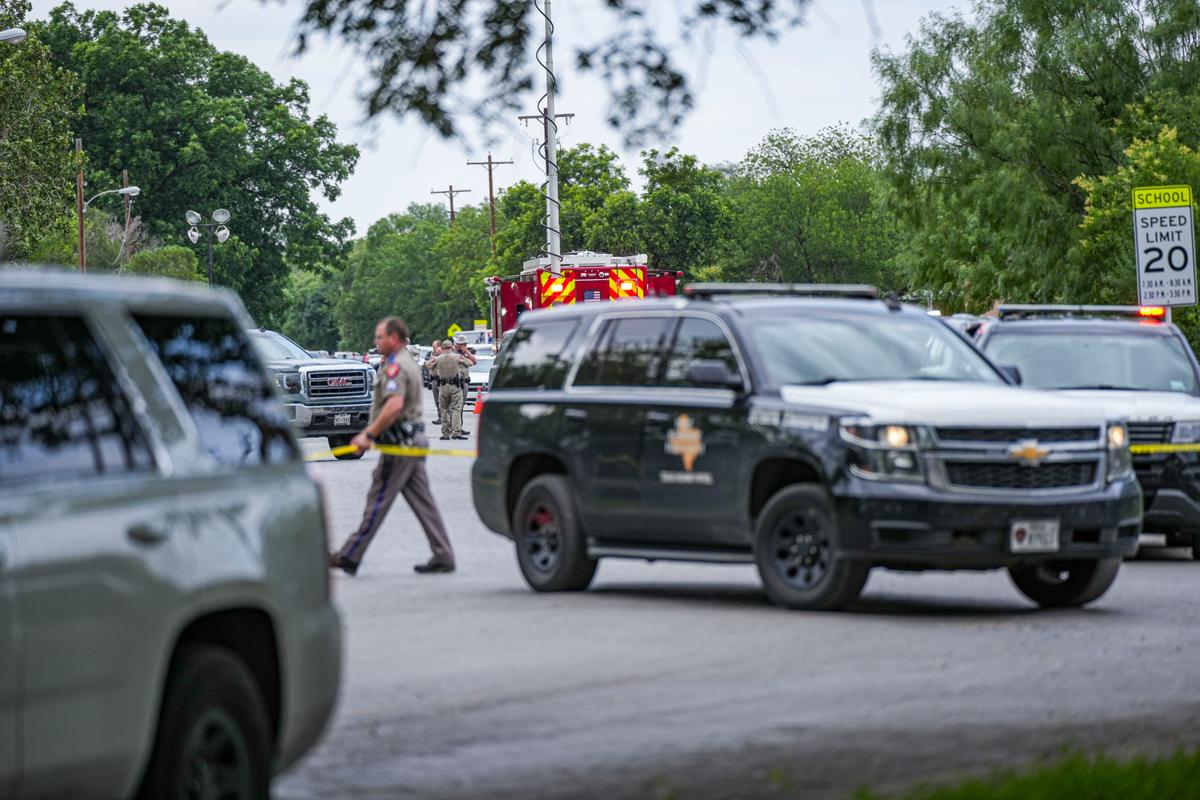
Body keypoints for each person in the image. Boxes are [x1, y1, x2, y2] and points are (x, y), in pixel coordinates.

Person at [330, 317, 456, 576]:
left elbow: (394, 405)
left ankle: (350, 554)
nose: (377, 342)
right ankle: (443, 554)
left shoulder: (396, 366)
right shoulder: (405, 361)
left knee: (377, 498)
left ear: (395, 338)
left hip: (400, 445)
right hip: (412, 442)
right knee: (424, 502)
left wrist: (368, 434)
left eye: (380, 337)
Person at [430, 339, 470, 440]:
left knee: (444, 409)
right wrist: (461, 362)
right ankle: (456, 432)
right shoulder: (457, 357)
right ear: (452, 347)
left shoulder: (438, 358)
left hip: (443, 386)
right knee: (456, 409)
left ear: (442, 348)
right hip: (455, 386)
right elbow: (469, 363)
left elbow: (428, 365)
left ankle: (445, 433)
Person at [426, 339, 444, 425]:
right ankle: (440, 417)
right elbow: (428, 365)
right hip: (433, 379)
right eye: (433, 347)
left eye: (434, 347)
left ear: (439, 347)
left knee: (442, 400)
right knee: (436, 400)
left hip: (441, 380)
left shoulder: (444, 355)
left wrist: (439, 355)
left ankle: (445, 418)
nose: (433, 348)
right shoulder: (433, 354)